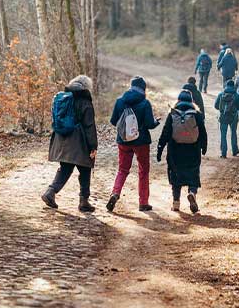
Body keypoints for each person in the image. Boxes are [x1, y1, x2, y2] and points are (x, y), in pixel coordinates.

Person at [43, 75, 98, 212]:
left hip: (62, 138)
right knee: (85, 168)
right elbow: (89, 126)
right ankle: (84, 201)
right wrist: (93, 146)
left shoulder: (64, 98)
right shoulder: (85, 102)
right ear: (86, 87)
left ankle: (50, 192)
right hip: (79, 141)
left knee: (66, 168)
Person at [108, 76, 159, 212]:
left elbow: (113, 121)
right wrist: (156, 122)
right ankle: (143, 203)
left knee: (123, 170)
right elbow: (149, 124)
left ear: (130, 87)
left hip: (123, 140)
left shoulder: (120, 101)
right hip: (141, 142)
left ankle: (115, 193)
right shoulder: (145, 103)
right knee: (143, 171)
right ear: (143, 89)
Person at [156, 91, 207, 214]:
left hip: (175, 151)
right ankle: (192, 193)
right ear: (191, 101)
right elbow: (203, 132)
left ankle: (176, 203)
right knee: (193, 175)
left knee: (176, 176)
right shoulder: (196, 114)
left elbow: (165, 132)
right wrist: (204, 147)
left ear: (178, 100)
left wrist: (160, 149)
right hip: (193, 150)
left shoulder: (173, 114)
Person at [214, 80, 239, 158]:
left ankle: (223, 153)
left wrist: (223, 109)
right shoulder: (237, 95)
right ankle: (234, 151)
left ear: (226, 85)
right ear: (234, 86)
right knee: (233, 133)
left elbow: (216, 106)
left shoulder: (221, 94)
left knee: (223, 135)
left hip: (223, 116)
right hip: (233, 117)